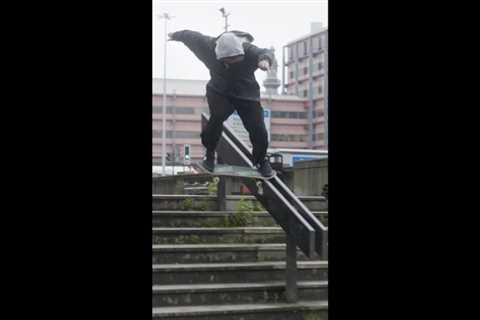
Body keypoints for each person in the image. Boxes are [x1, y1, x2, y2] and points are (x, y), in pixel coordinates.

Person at [167, 29, 274, 177]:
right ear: (220, 56)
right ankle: (209, 155)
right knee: (216, 119)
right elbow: (190, 36)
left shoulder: (248, 50)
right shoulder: (207, 46)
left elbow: (265, 52)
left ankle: (261, 161)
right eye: (230, 60)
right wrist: (175, 35)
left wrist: (265, 60)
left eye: (237, 59)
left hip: (246, 93)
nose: (234, 62)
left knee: (258, 128)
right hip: (219, 92)